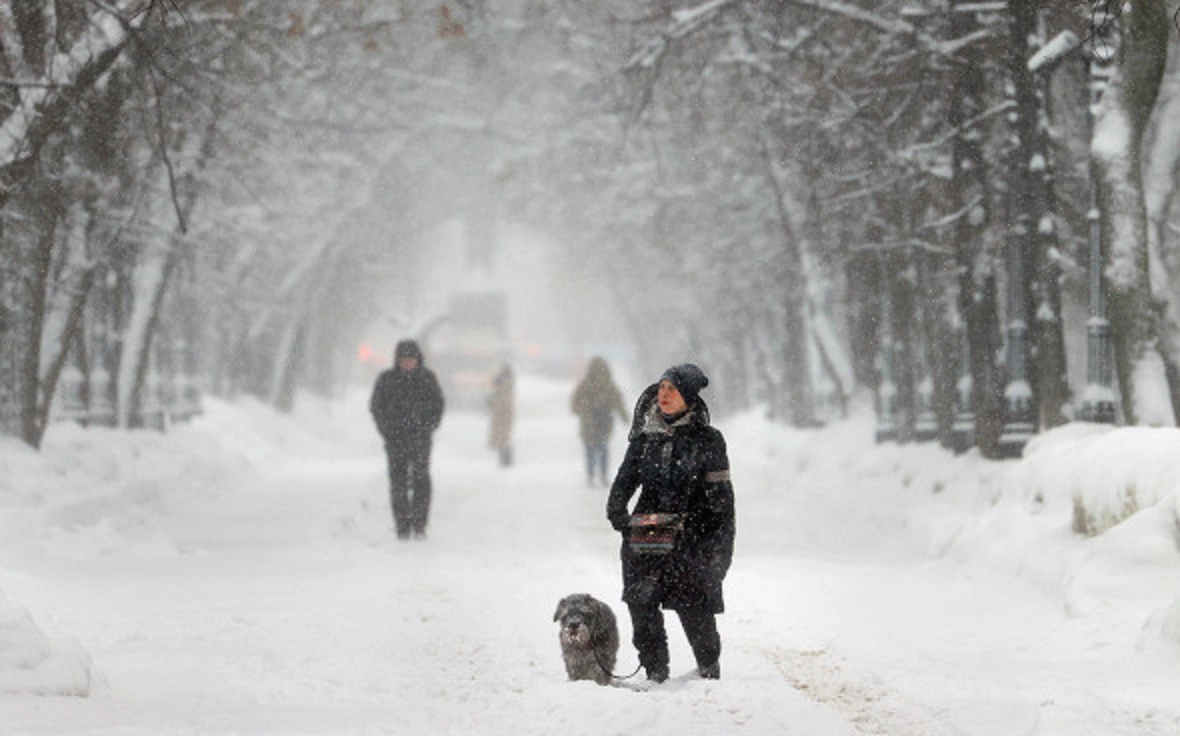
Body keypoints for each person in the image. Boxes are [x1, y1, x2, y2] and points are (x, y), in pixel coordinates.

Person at [605, 363, 735, 683]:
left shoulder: (709, 440)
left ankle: (708, 669)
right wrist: (620, 516)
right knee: (641, 601)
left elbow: (721, 500)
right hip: (646, 537)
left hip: (691, 539)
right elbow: (623, 483)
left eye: (672, 389)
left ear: (688, 396)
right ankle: (655, 671)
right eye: (661, 387)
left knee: (695, 606)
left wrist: (708, 540)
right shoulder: (645, 438)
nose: (663, 394)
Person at [369, 339, 445, 540]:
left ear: (417, 359)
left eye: (410, 359)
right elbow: (376, 407)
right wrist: (386, 429)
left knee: (421, 478)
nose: (407, 364)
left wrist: (428, 427)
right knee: (398, 482)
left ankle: (420, 524)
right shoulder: (387, 380)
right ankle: (402, 525)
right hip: (395, 440)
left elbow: (438, 405)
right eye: (403, 360)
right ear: (397, 360)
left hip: (420, 439)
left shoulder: (427, 379)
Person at [571, 356, 629, 487]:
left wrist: (583, 410)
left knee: (590, 450)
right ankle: (603, 475)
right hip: (604, 423)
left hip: (588, 424)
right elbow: (618, 402)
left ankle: (591, 475)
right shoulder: (609, 385)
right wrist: (624, 416)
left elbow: (575, 404)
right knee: (603, 449)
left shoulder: (585, 385)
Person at [487, 363, 514, 467]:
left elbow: (497, 400)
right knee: (504, 438)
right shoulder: (507, 384)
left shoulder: (504, 385)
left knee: (503, 437)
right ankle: (505, 460)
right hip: (502, 413)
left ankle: (505, 460)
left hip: (502, 413)